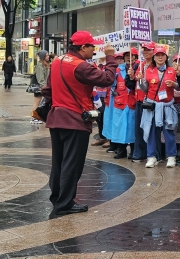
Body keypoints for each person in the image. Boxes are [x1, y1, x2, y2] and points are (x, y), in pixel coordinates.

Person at [41, 31, 117, 218]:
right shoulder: (80, 66)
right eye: (92, 46)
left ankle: (58, 198)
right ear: (83, 47)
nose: (94, 49)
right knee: (72, 164)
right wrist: (110, 57)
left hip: (57, 118)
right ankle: (65, 203)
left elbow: (47, 90)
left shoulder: (57, 61)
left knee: (58, 162)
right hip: (74, 120)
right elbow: (107, 79)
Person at [140, 46, 179, 168]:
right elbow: (145, 89)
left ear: (166, 57)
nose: (160, 57)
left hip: (167, 106)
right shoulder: (147, 70)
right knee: (151, 132)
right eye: (157, 55)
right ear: (154, 57)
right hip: (152, 106)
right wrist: (140, 81)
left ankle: (171, 156)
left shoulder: (172, 70)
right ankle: (151, 156)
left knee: (168, 132)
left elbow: (179, 87)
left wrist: (174, 84)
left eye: (162, 55)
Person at [128, 42, 156, 162]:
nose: (145, 52)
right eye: (144, 49)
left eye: (148, 50)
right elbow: (130, 84)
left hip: (151, 101)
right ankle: (139, 153)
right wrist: (130, 77)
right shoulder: (138, 65)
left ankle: (152, 153)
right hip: (139, 100)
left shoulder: (156, 67)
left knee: (150, 129)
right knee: (138, 129)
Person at [110, 50, 137, 159]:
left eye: (131, 56)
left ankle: (134, 150)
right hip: (120, 102)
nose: (129, 58)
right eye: (126, 56)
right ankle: (121, 150)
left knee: (132, 127)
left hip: (132, 101)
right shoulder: (117, 69)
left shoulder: (138, 68)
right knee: (119, 127)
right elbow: (111, 83)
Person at [32, 50, 50, 124]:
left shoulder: (45, 65)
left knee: (41, 102)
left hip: (44, 87)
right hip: (39, 87)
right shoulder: (40, 66)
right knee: (37, 102)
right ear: (43, 57)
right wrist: (44, 87)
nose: (48, 56)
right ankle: (33, 117)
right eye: (47, 55)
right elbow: (40, 79)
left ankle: (39, 116)